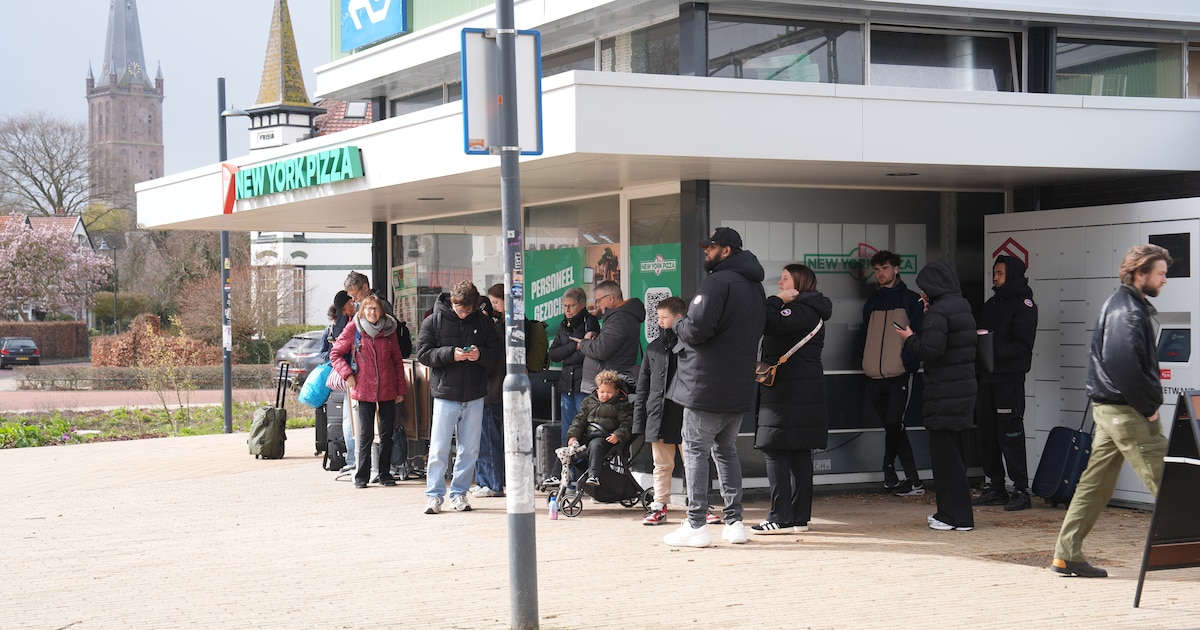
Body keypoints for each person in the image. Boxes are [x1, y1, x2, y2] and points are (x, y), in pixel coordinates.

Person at [1051, 244, 1171, 578]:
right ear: (1139, 273)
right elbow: (1122, 364)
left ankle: (1066, 554)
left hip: (1109, 410)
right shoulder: (1128, 310)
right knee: (1168, 481)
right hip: (1128, 411)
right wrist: (1148, 406)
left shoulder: (1123, 305)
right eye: (1160, 273)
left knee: (1095, 484)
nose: (1165, 279)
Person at [663, 227, 766, 548]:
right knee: (726, 450)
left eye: (712, 246)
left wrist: (678, 322)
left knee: (694, 451)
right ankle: (734, 522)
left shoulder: (716, 283)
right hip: (738, 384)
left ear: (728, 251)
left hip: (705, 384)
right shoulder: (755, 286)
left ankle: (696, 524)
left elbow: (697, 329)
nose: (706, 250)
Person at [896, 260, 977, 532]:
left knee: (945, 460)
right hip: (963, 392)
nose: (922, 295)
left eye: (924, 289)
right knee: (957, 458)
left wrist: (909, 337)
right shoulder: (961, 305)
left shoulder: (938, 312)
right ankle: (955, 514)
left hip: (944, 394)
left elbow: (931, 350)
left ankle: (954, 517)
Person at [752, 264, 831, 535]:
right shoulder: (813, 310)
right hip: (802, 391)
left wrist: (776, 302)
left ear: (798, 282)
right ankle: (798, 517)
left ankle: (781, 516)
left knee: (775, 449)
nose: (780, 284)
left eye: (784, 279)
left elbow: (764, 322)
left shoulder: (799, 310)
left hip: (788, 392)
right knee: (799, 453)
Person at [416, 281, 501, 514]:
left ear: (474, 306)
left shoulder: (484, 322)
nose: (462, 313)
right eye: (458, 307)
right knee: (439, 448)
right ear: (451, 302)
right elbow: (422, 353)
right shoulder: (433, 320)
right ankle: (434, 496)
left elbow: (496, 355)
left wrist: (479, 355)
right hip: (445, 394)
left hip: (474, 394)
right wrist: (449, 354)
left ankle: (459, 493)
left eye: (466, 309)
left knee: (470, 449)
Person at [974, 255, 1038, 511]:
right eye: (994, 273)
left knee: (1010, 434)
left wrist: (991, 350)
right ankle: (996, 486)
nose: (995, 278)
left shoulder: (1025, 305)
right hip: (987, 378)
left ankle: (1021, 490)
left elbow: (1024, 346)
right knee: (986, 433)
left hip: (1009, 380)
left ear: (1011, 274)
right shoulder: (991, 304)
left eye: (999, 273)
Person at [861, 250, 925, 496]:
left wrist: (907, 363)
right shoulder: (871, 303)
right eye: (877, 269)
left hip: (899, 374)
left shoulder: (911, 300)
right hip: (874, 376)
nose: (880, 274)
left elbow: (919, 336)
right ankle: (913, 480)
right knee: (894, 427)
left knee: (893, 423)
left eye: (885, 268)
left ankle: (892, 468)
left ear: (896, 269)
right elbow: (864, 337)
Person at [329, 294, 407, 489]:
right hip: (364, 388)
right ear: (362, 310)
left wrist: (400, 388)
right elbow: (336, 354)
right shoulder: (354, 328)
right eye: (368, 309)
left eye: (375, 309)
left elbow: (397, 361)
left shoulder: (390, 330)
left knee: (387, 433)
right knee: (366, 434)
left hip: (388, 387)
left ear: (381, 311)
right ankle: (361, 475)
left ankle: (384, 473)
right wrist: (348, 375)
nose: (372, 313)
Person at [634, 296, 687, 525]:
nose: (659, 321)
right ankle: (659, 505)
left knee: (694, 463)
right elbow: (642, 385)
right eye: (658, 317)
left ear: (679, 318)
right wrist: (639, 422)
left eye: (664, 317)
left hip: (686, 414)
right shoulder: (654, 347)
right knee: (662, 465)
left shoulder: (691, 345)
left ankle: (699, 506)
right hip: (659, 414)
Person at [547, 287, 601, 453]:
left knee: (583, 430)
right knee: (567, 432)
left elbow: (588, 354)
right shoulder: (564, 325)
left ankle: (582, 473)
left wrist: (571, 353)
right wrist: (575, 346)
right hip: (566, 385)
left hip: (583, 384)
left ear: (582, 304)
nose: (567, 310)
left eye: (571, 306)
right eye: (564, 306)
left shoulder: (589, 322)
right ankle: (568, 474)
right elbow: (553, 354)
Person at [566, 370, 634, 487]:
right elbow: (579, 420)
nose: (605, 395)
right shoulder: (589, 401)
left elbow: (627, 424)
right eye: (602, 392)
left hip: (606, 439)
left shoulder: (621, 405)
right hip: (587, 437)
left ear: (617, 392)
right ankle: (557, 475)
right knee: (567, 449)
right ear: (597, 390)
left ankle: (593, 475)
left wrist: (618, 435)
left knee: (596, 445)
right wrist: (573, 436)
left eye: (609, 392)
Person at [578, 280, 645, 395]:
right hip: (607, 382)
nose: (597, 305)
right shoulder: (620, 315)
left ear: (611, 298)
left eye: (599, 300)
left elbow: (601, 349)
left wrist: (583, 343)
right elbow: (609, 342)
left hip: (609, 385)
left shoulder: (619, 318)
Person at [472, 283, 506, 498]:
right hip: (487, 390)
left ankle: (492, 482)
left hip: (490, 391)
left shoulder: (489, 328)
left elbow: (493, 361)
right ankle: (486, 480)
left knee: (488, 438)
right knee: (483, 438)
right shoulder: (493, 326)